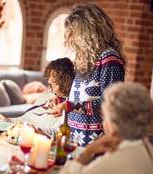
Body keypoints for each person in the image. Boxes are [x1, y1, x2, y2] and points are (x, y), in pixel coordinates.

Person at [45, 3, 126, 147]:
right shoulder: (86, 59)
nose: (72, 38)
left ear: (89, 31)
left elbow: (108, 106)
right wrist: (60, 100)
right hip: (75, 140)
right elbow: (82, 97)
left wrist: (69, 106)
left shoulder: (110, 60)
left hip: (95, 143)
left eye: (75, 33)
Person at [0, 58, 75, 138]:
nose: (50, 84)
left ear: (65, 82)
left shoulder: (70, 106)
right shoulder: (47, 94)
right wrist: (8, 120)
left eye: (54, 83)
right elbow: (28, 117)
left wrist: (34, 130)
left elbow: (58, 132)